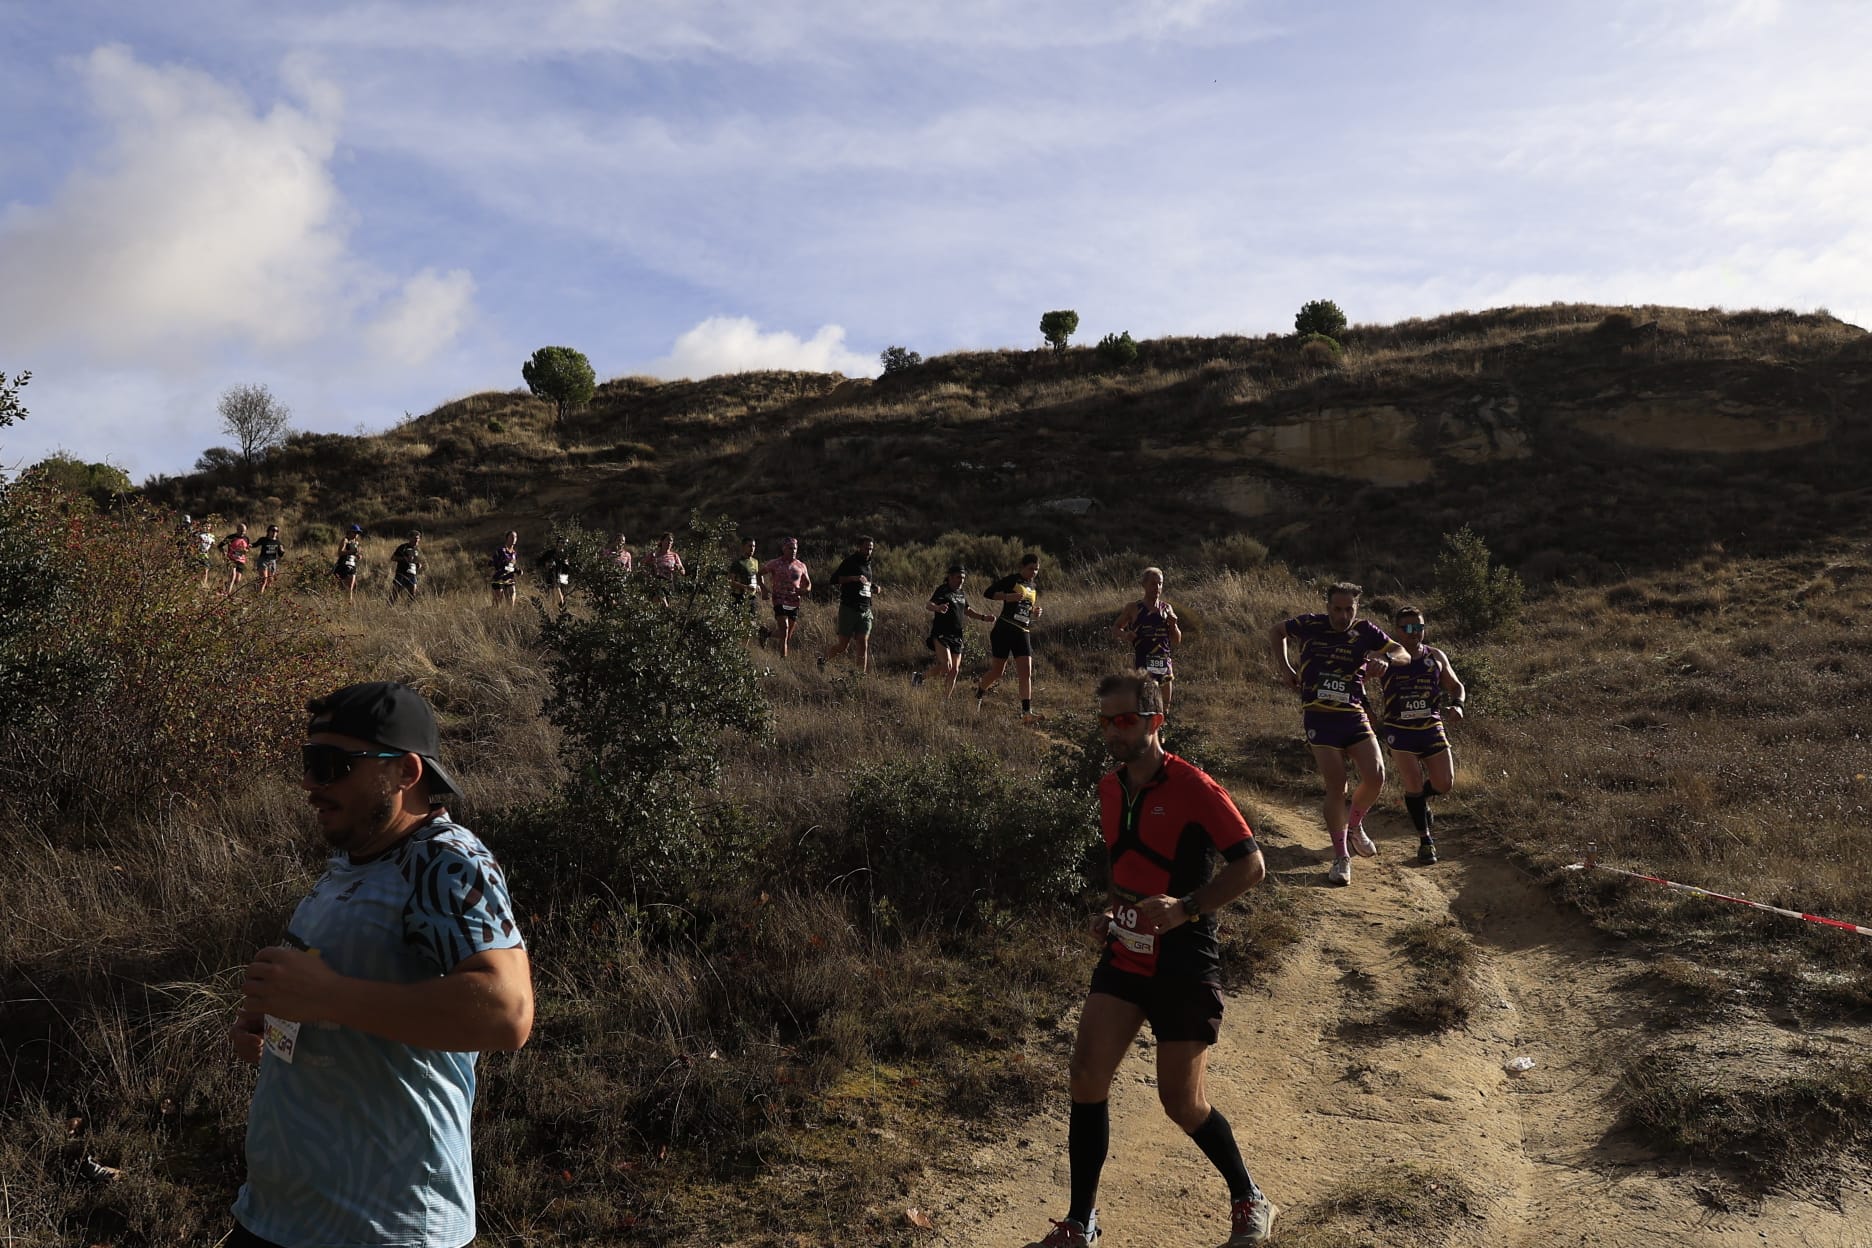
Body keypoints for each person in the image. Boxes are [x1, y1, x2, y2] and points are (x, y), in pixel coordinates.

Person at [228, 681, 533, 1248]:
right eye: (308, 762)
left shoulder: (445, 862)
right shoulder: (353, 861)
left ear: (406, 773)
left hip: (387, 1226)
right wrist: (275, 1024)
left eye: (332, 765)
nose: (310, 784)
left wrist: (326, 997)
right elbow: (344, 1000)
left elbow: (507, 1013)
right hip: (279, 1215)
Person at [1038, 673, 1275, 1248]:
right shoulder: (1109, 787)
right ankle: (1081, 1222)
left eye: (1124, 720)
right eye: (1105, 721)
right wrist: (1108, 914)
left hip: (1184, 959)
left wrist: (1188, 907)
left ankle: (1250, 1198)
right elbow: (1127, 867)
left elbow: (1251, 866)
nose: (1113, 731)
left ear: (1154, 720)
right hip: (1125, 951)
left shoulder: (1196, 788)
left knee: (1181, 1102)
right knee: (1086, 1075)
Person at [1268, 582, 1410, 886]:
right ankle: (1341, 856)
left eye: (1349, 609)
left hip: (1353, 713)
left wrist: (1386, 660)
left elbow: (1402, 653)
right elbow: (1276, 631)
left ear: (1356, 608)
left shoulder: (1365, 630)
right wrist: (1285, 668)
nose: (1343, 615)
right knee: (1337, 785)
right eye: (1337, 608)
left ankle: (1355, 825)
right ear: (1327, 606)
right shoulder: (1310, 624)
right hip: (1320, 715)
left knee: (1376, 775)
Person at [1375, 606, 1467, 865]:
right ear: (1397, 630)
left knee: (1444, 783)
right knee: (1412, 782)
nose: (1414, 633)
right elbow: (1358, 673)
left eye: (1419, 627)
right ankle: (1426, 841)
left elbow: (1455, 685)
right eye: (1408, 628)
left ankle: (1420, 801)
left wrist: (1458, 705)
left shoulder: (1435, 656)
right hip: (1399, 730)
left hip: (1430, 728)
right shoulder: (1387, 655)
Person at [974, 552, 1044, 723]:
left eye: (1036, 570)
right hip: (1004, 630)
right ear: (1022, 566)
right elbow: (988, 592)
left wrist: (1035, 611)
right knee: (998, 671)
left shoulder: (1033, 586)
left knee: (1026, 672)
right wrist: (1007, 596)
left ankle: (1026, 712)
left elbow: (1026, 605)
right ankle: (978, 694)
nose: (1033, 572)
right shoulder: (1012, 580)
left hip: (1023, 631)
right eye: (1030, 569)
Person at [914, 564, 995, 697]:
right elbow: (929, 605)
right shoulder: (943, 590)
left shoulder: (961, 593)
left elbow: (967, 610)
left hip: (957, 635)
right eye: (958, 577)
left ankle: (945, 700)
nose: (961, 580)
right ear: (950, 577)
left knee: (955, 670)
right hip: (941, 633)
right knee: (946, 666)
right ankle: (920, 677)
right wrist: (938, 608)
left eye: (963, 578)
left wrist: (984, 617)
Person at [1112, 566, 1184, 711]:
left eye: (1160, 583)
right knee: (1147, 708)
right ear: (1144, 585)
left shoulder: (1167, 609)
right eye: (1153, 583)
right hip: (1144, 663)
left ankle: (1163, 732)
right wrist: (1125, 635)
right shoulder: (1134, 608)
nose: (1157, 587)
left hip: (1164, 663)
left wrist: (1174, 625)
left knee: (1165, 709)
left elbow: (1176, 640)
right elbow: (1115, 628)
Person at [820, 536, 879, 674]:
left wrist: (875, 588)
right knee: (842, 646)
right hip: (849, 608)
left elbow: (865, 583)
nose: (869, 551)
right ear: (859, 547)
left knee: (863, 644)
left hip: (865, 609)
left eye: (871, 548)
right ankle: (823, 660)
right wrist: (853, 578)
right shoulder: (850, 562)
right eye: (866, 548)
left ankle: (859, 677)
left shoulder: (869, 564)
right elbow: (834, 579)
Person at [759, 537, 812, 658]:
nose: (793, 551)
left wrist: (804, 590)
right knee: (785, 628)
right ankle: (783, 660)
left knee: (787, 635)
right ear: (783, 549)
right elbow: (759, 573)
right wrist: (763, 588)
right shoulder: (775, 563)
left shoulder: (801, 565)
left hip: (794, 602)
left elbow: (808, 583)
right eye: (790, 548)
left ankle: (766, 634)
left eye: (795, 548)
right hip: (779, 599)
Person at [728, 536, 761, 626]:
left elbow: (756, 577)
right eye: (750, 546)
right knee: (738, 625)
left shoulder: (755, 561)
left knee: (751, 625)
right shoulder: (737, 563)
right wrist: (745, 587)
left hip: (752, 598)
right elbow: (731, 582)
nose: (752, 549)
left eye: (754, 546)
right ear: (743, 547)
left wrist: (758, 586)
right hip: (738, 597)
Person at [388, 531, 424, 605]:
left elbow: (413, 561)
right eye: (415, 538)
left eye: (418, 538)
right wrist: (403, 559)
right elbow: (393, 558)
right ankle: (388, 608)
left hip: (412, 574)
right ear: (410, 538)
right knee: (395, 595)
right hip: (401, 573)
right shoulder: (403, 547)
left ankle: (408, 610)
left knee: (412, 595)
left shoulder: (416, 549)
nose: (417, 540)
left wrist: (417, 565)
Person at [650, 532, 685, 606]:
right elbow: (642, 563)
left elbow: (683, 571)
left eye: (671, 541)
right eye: (667, 540)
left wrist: (678, 567)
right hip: (658, 582)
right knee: (664, 604)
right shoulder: (655, 554)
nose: (669, 542)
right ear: (662, 541)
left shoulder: (674, 555)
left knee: (667, 606)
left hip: (669, 582)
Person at [251, 525, 286, 595]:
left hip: (272, 562)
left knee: (270, 580)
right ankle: (259, 597)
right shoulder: (263, 540)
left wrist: (282, 551)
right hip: (263, 560)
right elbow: (255, 544)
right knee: (264, 579)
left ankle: (261, 592)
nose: (274, 532)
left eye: (276, 531)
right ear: (268, 531)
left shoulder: (278, 542)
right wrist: (248, 545)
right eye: (273, 530)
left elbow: (280, 554)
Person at [332, 525, 363, 603]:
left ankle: (348, 603)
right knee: (342, 587)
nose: (356, 534)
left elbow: (357, 553)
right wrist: (350, 552)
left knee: (351, 587)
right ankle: (341, 603)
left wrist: (359, 556)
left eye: (358, 533)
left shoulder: (357, 542)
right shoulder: (345, 540)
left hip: (352, 565)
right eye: (354, 532)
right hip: (343, 565)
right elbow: (340, 553)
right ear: (350, 532)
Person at [490, 530, 520, 608]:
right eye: (511, 537)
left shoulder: (514, 554)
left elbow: (511, 567)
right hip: (498, 579)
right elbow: (496, 565)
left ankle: (508, 619)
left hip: (509, 579)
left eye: (515, 537)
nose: (514, 538)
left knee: (511, 605)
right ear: (507, 538)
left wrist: (517, 570)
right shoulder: (501, 551)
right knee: (497, 606)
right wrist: (515, 570)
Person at [220, 522, 252, 594]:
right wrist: (223, 553)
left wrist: (246, 550)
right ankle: (227, 594)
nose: (243, 532)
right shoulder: (231, 537)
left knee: (237, 580)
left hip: (241, 561)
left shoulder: (246, 538)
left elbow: (246, 550)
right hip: (231, 559)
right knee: (233, 575)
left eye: (244, 531)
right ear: (237, 530)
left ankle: (227, 585)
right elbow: (220, 546)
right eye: (241, 531)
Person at [540, 541, 573, 608]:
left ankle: (558, 610)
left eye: (564, 543)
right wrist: (548, 565)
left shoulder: (565, 554)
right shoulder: (551, 553)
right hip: (554, 575)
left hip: (563, 576)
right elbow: (542, 561)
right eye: (561, 543)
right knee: (554, 592)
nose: (562, 545)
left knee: (561, 592)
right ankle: (557, 610)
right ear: (557, 544)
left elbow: (567, 566)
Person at [193, 517, 217, 589]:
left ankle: (204, 584)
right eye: (205, 526)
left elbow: (213, 545)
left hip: (205, 554)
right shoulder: (197, 534)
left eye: (208, 526)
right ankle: (196, 584)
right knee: (196, 570)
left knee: (206, 569)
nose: (207, 527)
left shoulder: (212, 536)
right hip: (197, 554)